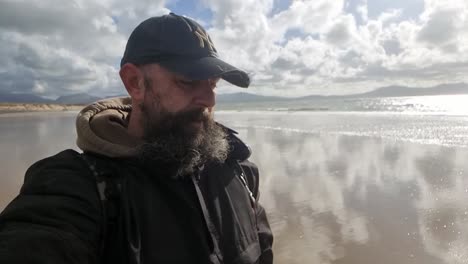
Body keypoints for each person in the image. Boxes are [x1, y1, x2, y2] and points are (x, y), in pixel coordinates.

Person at [0, 13, 273, 264]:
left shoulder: (238, 171)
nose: (210, 99)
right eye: (188, 82)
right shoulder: (78, 187)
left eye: (213, 84)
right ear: (134, 82)